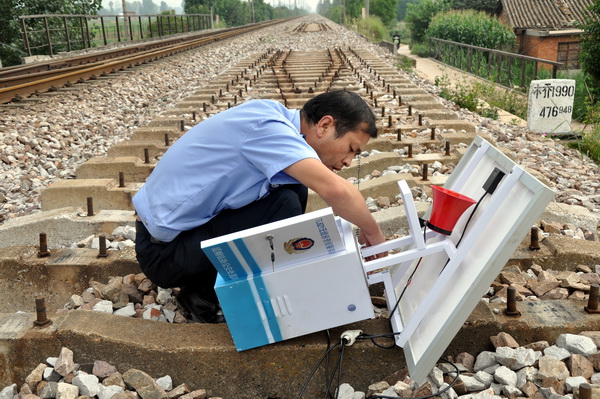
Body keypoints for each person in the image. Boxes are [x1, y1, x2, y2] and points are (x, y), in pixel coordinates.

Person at [133, 89, 387, 323]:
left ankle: (211, 287)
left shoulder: (270, 115)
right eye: (351, 149)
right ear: (325, 125)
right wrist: (372, 231)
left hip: (176, 241)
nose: (347, 162)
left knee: (292, 188)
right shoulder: (267, 129)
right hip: (163, 255)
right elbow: (335, 189)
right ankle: (203, 295)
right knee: (284, 203)